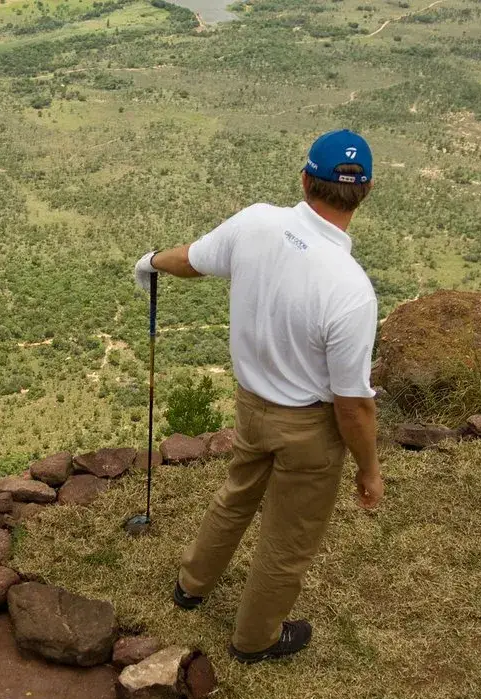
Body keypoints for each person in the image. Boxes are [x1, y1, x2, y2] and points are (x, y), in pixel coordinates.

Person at [133, 129, 383, 664]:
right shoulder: (351, 289)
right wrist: (369, 468)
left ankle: (191, 585)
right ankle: (255, 639)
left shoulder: (256, 224)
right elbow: (352, 404)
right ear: (364, 192)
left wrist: (151, 260)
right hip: (310, 429)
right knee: (288, 540)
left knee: (237, 493)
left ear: (304, 178)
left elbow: (190, 261)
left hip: (252, 405)